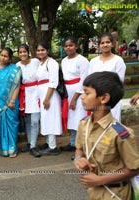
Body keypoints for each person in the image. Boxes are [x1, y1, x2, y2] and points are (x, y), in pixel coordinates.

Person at [74, 71, 139, 200]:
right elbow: (79, 149)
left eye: (87, 93)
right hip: (94, 192)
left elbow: (134, 169)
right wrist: (79, 160)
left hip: (116, 194)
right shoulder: (84, 125)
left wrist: (100, 180)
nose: (82, 96)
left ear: (104, 98)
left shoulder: (120, 133)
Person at [59, 37, 89, 152]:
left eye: (71, 45)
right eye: (66, 46)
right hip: (67, 92)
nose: (68, 48)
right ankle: (72, 142)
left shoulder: (82, 60)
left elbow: (83, 80)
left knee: (79, 119)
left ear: (76, 46)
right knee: (71, 119)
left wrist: (75, 98)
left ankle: (81, 147)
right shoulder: (64, 60)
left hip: (78, 93)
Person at [88, 33, 126, 122]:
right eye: (102, 43)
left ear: (112, 44)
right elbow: (90, 81)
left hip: (112, 99)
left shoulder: (118, 61)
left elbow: (119, 82)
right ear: (99, 45)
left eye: (108, 42)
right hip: (96, 99)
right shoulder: (93, 62)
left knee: (113, 125)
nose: (105, 45)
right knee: (97, 125)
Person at [0, 47, 21, 158]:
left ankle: (12, 148)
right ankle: (1, 148)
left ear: (10, 58)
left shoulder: (15, 69)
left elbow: (17, 86)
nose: (3, 58)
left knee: (12, 125)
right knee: (1, 125)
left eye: (6, 56)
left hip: (11, 102)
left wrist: (13, 100)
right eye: (2, 55)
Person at [35, 41, 61, 156]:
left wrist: (47, 98)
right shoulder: (41, 63)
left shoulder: (52, 63)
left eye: (42, 50)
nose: (40, 52)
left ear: (47, 51)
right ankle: (48, 142)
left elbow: (53, 82)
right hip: (42, 94)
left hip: (50, 95)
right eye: (38, 50)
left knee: (51, 118)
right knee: (45, 118)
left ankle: (53, 146)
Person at [16, 44, 41, 157]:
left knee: (35, 120)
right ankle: (30, 142)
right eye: (20, 52)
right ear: (18, 54)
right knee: (28, 120)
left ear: (28, 52)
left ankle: (34, 146)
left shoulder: (36, 61)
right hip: (24, 93)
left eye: (24, 51)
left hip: (36, 91)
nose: (23, 54)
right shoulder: (17, 65)